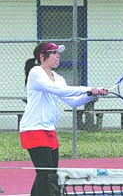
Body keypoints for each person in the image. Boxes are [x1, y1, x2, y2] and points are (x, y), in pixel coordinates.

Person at [19, 42, 108, 196]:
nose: (58, 55)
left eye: (58, 52)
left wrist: (92, 95)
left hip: (49, 130)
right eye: (54, 52)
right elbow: (59, 90)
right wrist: (89, 89)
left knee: (50, 174)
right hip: (33, 129)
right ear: (42, 56)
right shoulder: (36, 72)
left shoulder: (58, 78)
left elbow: (72, 101)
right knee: (46, 174)